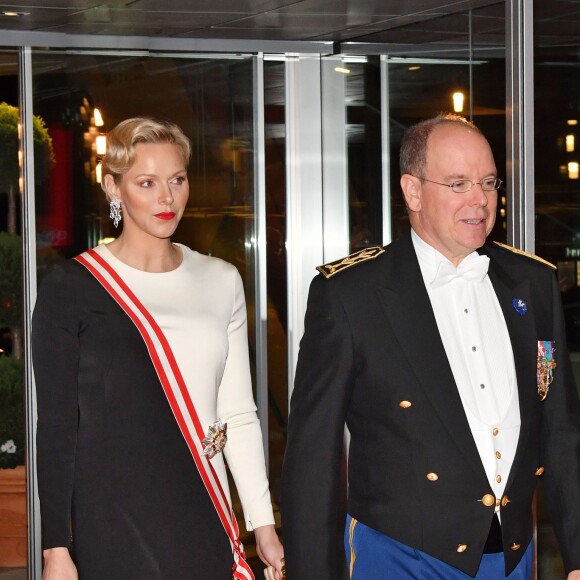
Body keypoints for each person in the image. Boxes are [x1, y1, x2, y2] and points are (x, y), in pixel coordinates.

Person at [280, 113, 580, 579]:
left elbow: (561, 432)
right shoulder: (351, 294)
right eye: (458, 184)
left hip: (515, 557)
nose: (480, 200)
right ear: (413, 191)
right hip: (402, 555)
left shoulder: (533, 283)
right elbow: (312, 458)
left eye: (488, 182)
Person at [32, 117, 284, 580]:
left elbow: (238, 413)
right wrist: (55, 547)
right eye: (147, 183)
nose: (166, 198)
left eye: (177, 180)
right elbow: (56, 426)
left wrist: (262, 522)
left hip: (200, 507)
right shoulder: (73, 286)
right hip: (110, 518)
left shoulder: (221, 279)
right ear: (113, 188)